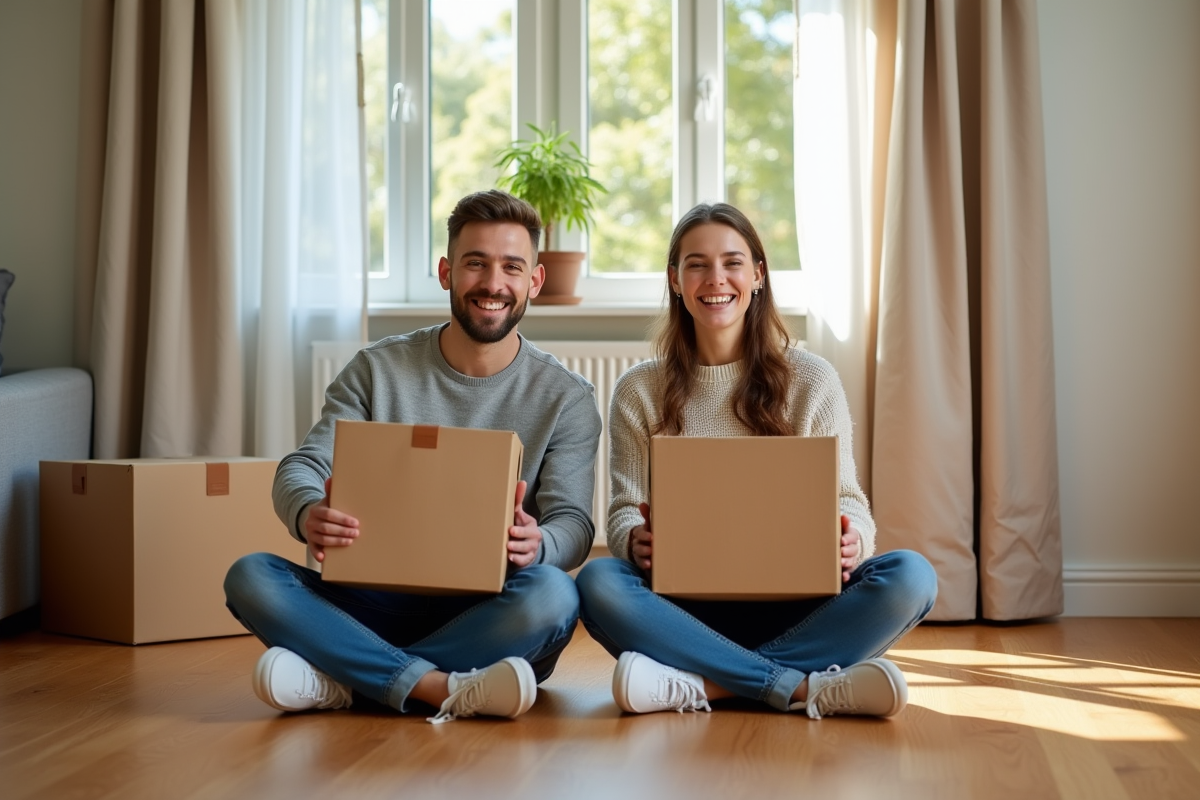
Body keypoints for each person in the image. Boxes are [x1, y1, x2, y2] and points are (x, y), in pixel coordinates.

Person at [224, 190, 603, 723]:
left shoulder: (566, 397)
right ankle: (441, 687)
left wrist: (538, 543)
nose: (493, 284)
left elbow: (574, 524)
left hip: (487, 609)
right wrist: (308, 512)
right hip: (368, 602)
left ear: (533, 282)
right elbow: (303, 466)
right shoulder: (377, 370)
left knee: (554, 597)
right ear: (447, 271)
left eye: (511, 267)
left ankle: (346, 679)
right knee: (251, 576)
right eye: (476, 264)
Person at [575, 203, 938, 719]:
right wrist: (636, 538)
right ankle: (801, 686)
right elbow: (623, 509)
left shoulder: (811, 379)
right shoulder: (640, 389)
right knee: (597, 582)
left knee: (912, 575)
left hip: (801, 606)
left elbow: (849, 501)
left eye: (732, 262)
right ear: (675, 280)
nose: (715, 279)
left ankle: (707, 685)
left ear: (758, 276)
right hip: (685, 611)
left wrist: (853, 540)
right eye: (696, 264)